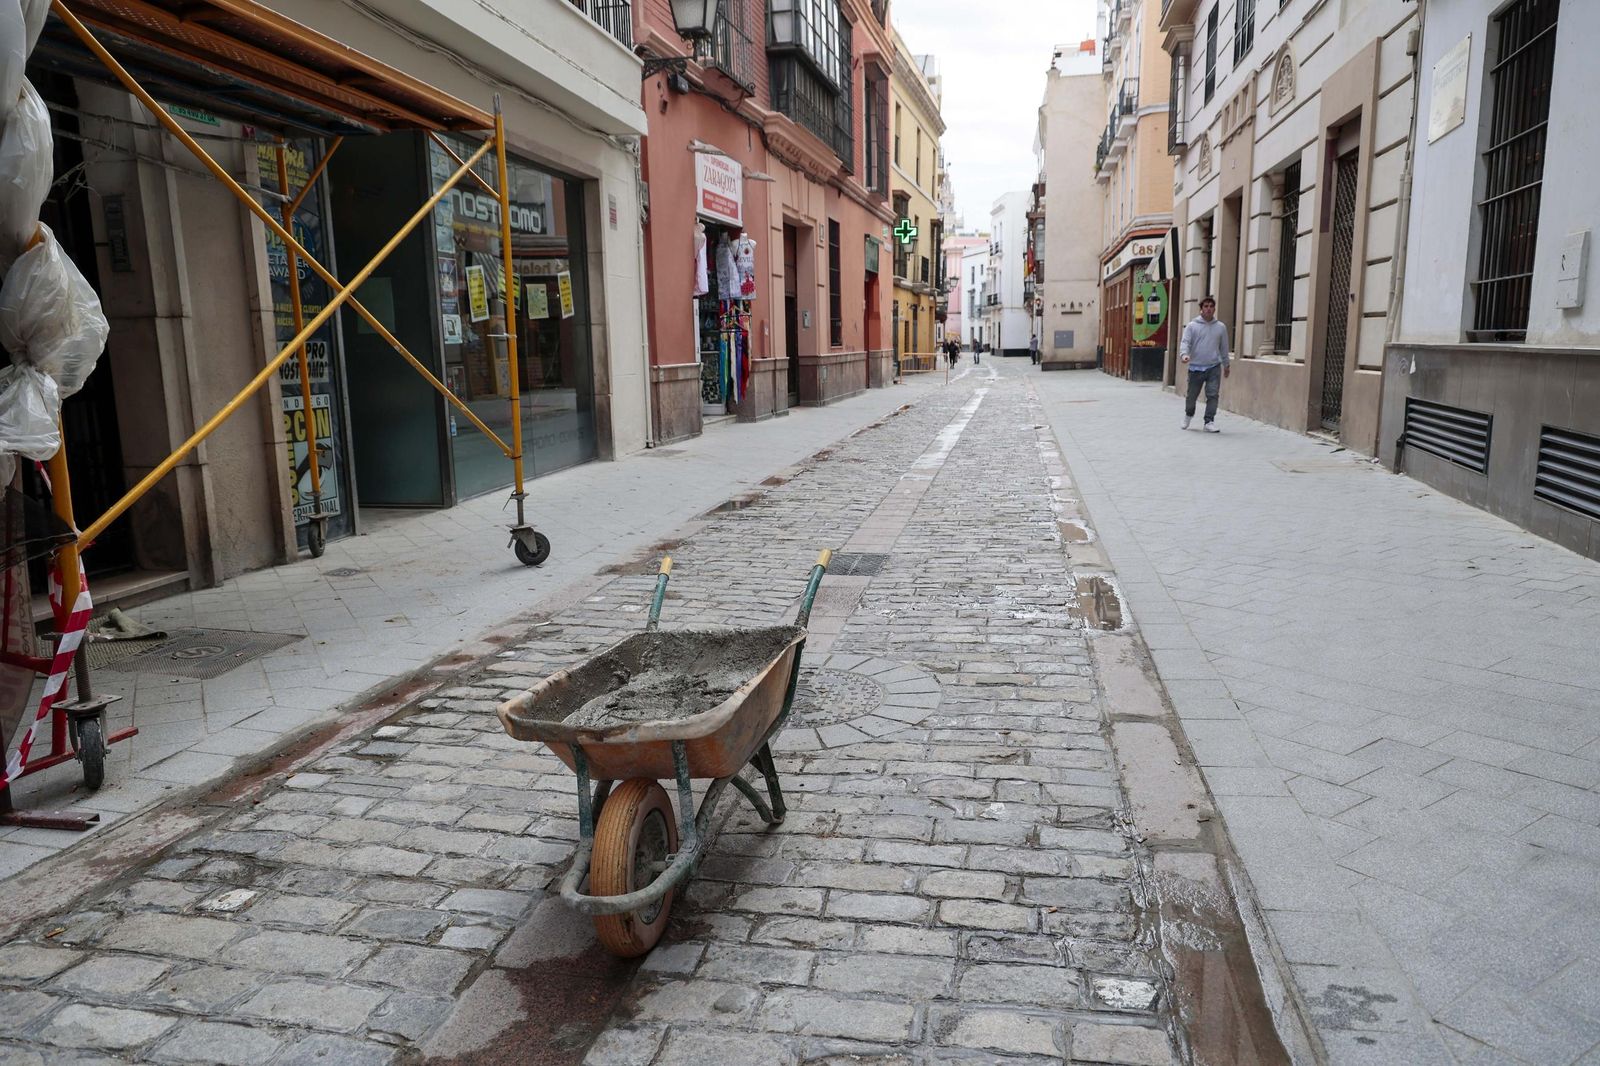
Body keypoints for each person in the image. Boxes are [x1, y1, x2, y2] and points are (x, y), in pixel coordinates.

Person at [1179, 296, 1230, 432]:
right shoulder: (1192, 326)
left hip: (1213, 367)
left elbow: (1224, 347)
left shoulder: (1220, 327)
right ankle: (1188, 415)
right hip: (1196, 367)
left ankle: (1209, 421)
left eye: (1211, 306)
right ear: (1201, 309)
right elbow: (1185, 342)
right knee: (1192, 396)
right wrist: (1184, 354)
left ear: (1214, 309)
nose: (1208, 309)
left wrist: (1226, 364)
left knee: (1213, 394)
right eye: (1205, 306)